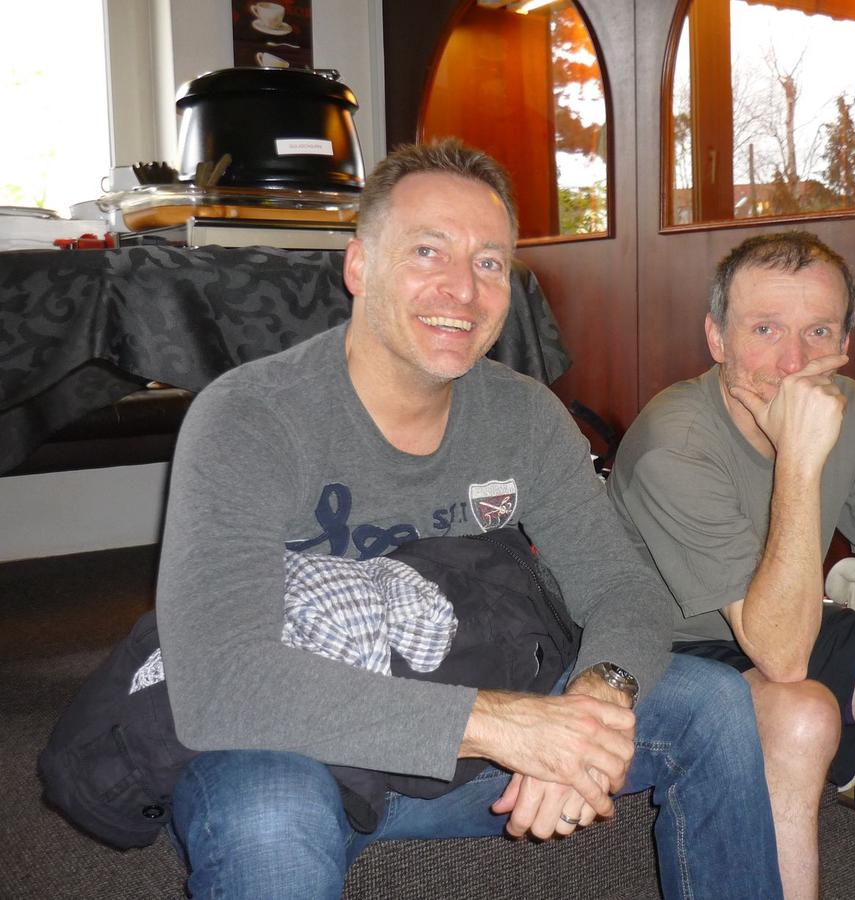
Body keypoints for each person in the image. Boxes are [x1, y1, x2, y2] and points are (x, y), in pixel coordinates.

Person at [155, 140, 783, 900]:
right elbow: (222, 682)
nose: (462, 289)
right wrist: (501, 726)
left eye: (489, 262)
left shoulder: (525, 414)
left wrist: (594, 700)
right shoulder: (250, 416)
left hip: (480, 721)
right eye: (428, 251)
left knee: (712, 703)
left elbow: (623, 585)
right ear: (359, 266)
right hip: (300, 750)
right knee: (266, 814)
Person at [607, 231, 855, 900]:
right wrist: (798, 459)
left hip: (778, 614)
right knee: (802, 714)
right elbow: (782, 657)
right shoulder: (672, 442)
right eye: (764, 329)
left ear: (845, 342)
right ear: (716, 338)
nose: (793, 362)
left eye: (818, 332)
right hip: (663, 648)